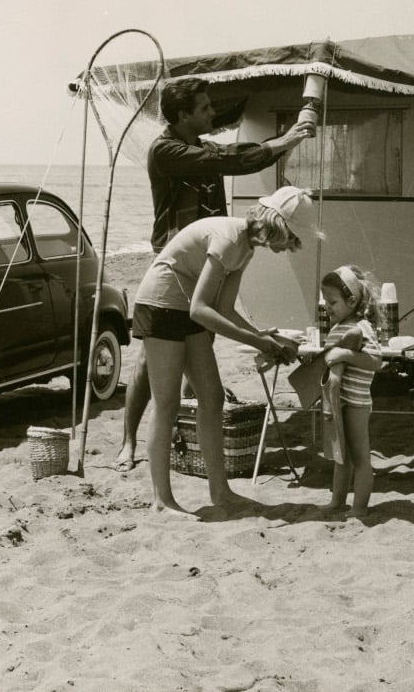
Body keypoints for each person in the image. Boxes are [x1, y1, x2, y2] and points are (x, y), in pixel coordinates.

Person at [114, 77, 315, 472]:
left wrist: (285, 143)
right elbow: (231, 159)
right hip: (175, 257)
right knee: (148, 360)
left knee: (198, 345)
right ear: (183, 115)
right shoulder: (167, 150)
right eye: (204, 108)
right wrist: (285, 140)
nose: (212, 113)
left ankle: (181, 431)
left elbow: (235, 155)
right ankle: (129, 440)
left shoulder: (202, 145)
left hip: (214, 251)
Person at [132, 186, 317, 516]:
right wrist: (258, 342)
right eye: (289, 238)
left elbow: (225, 309)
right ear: (277, 224)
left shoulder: (245, 247)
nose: (286, 247)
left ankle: (220, 491)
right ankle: (162, 501)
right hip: (160, 305)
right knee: (167, 402)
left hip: (184, 306)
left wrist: (261, 334)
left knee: (212, 397)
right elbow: (201, 310)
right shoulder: (230, 239)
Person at [317, 265, 383, 518]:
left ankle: (359, 507)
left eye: (332, 301)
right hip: (338, 401)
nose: (327, 306)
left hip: (356, 402)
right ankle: (337, 501)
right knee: (340, 455)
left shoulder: (362, 327)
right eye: (325, 301)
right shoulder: (338, 327)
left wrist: (345, 354)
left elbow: (376, 361)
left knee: (359, 456)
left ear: (351, 300)